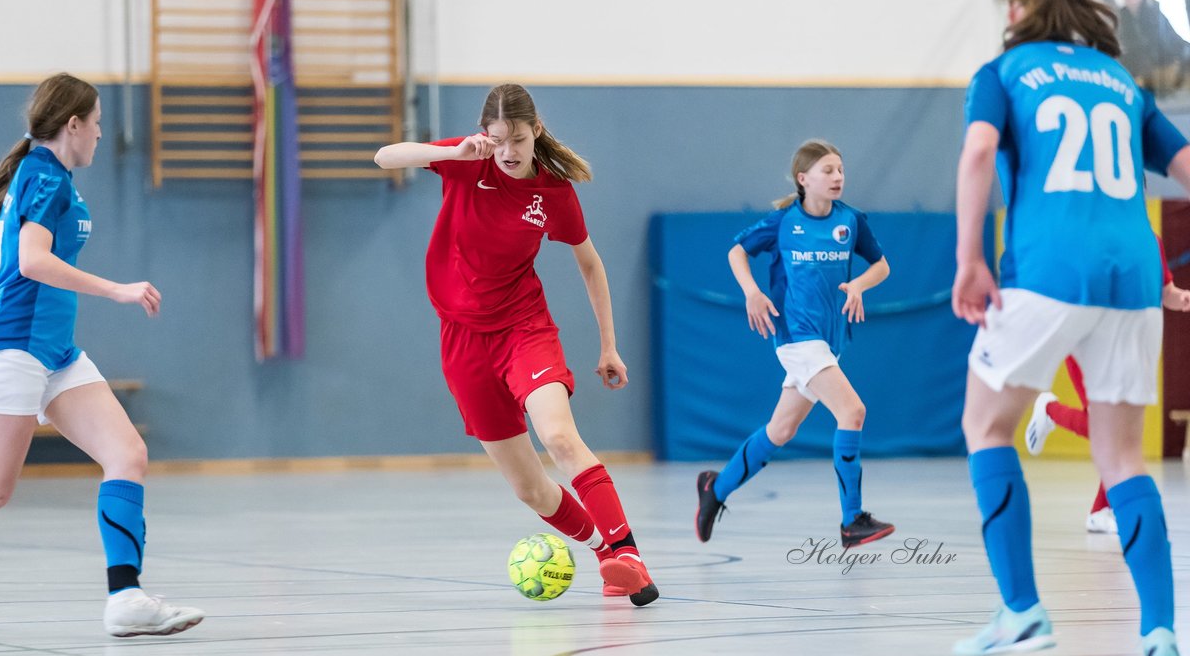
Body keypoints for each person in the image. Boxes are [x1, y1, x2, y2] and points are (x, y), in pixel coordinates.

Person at [951, 0, 1190, 656]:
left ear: (1018, 10)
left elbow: (979, 153)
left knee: (986, 426)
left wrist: (969, 258)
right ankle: (1160, 637)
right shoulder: (1121, 81)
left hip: (1047, 269)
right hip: (1133, 281)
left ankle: (1021, 610)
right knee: (1122, 458)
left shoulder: (1002, 74)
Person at [0, 73, 204, 637]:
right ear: (73, 124)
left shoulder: (43, 175)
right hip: (13, 348)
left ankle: (126, 597)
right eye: (95, 124)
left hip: (55, 353)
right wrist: (117, 289)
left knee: (127, 454)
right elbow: (31, 261)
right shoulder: (45, 175)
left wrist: (9, 290)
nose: (99, 134)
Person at [373, 84, 658, 606]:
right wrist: (450, 152)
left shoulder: (553, 192)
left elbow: (590, 264)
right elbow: (385, 155)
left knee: (559, 436)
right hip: (462, 342)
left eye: (518, 140)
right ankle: (604, 552)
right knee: (530, 489)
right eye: (497, 140)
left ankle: (630, 554)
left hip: (523, 328)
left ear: (536, 133)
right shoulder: (465, 161)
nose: (507, 151)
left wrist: (609, 346)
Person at [693, 140, 895, 549]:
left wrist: (858, 284)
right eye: (828, 170)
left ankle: (716, 488)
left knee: (781, 430)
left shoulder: (851, 222)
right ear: (804, 179)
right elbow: (737, 251)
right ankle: (851, 519)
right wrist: (752, 292)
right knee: (852, 411)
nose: (837, 176)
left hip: (828, 340)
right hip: (796, 338)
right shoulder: (783, 222)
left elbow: (881, 265)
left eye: (840, 169)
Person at [1025, 239, 1190, 535]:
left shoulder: (1150, 241)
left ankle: (1101, 508)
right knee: (1109, 430)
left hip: (1128, 341)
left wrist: (1180, 298)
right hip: (1084, 337)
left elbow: (1167, 292)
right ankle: (1050, 411)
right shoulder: (1088, 232)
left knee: (1121, 432)